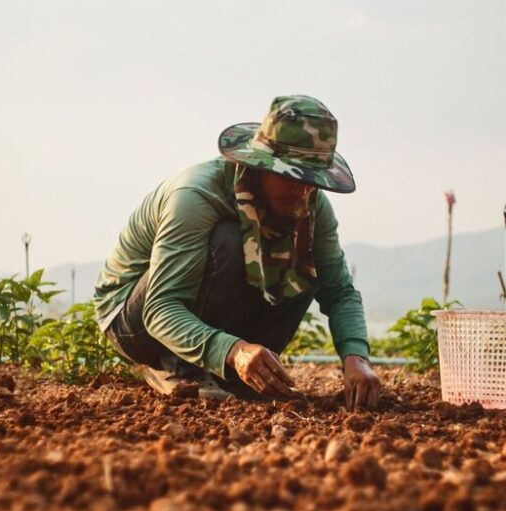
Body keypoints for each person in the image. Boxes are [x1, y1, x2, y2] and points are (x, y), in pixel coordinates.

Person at [94, 95, 380, 409]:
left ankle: (234, 374)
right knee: (228, 241)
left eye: (312, 180)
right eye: (291, 177)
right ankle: (176, 366)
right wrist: (234, 350)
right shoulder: (195, 196)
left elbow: (339, 291)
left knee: (303, 255)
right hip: (132, 321)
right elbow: (161, 308)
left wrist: (356, 357)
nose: (302, 191)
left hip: (184, 316)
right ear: (261, 165)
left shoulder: (310, 206)